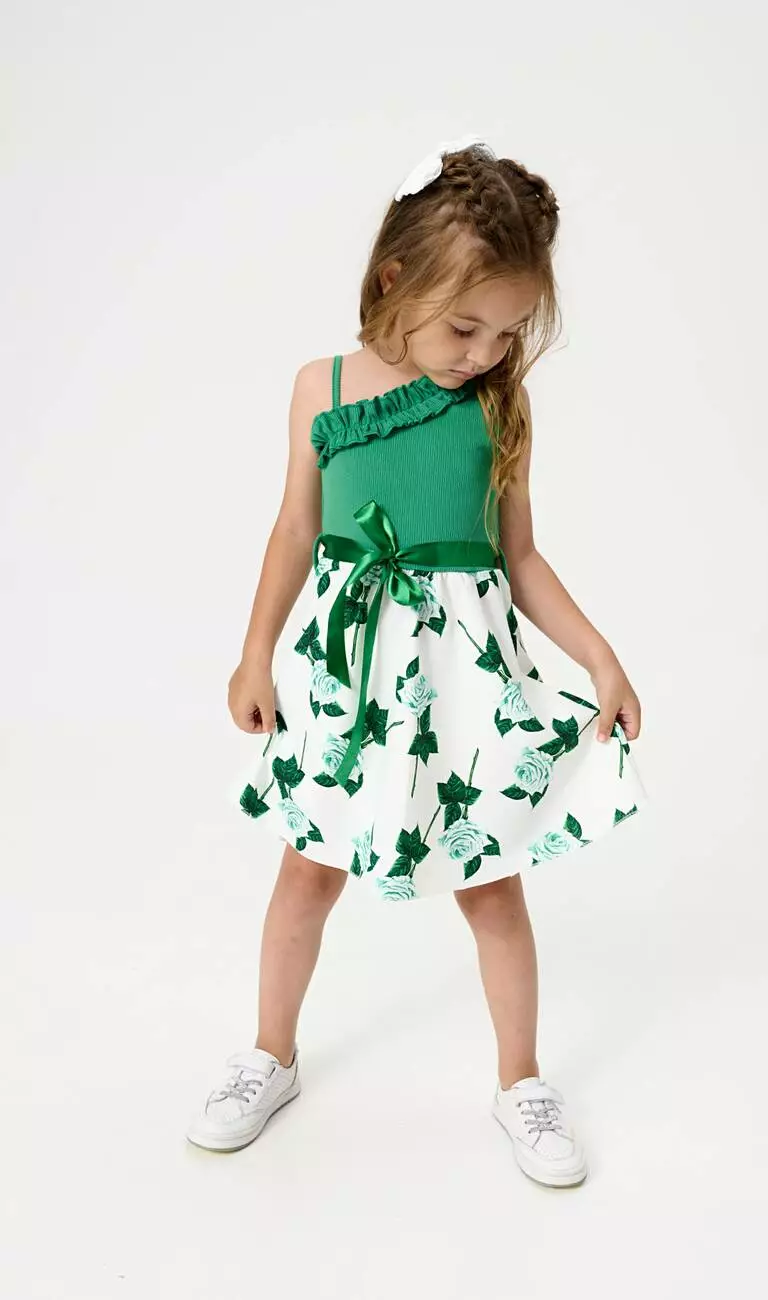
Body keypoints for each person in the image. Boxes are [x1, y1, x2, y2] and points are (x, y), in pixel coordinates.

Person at [186, 135, 650, 1188]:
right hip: (351, 682)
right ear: (395, 279)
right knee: (308, 871)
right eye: (464, 326)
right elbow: (293, 530)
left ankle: (520, 1080)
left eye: (507, 331)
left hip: (464, 686)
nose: (483, 351)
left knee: (490, 883)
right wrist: (255, 653)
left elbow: (519, 558)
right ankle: (269, 1054)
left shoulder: (495, 404)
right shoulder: (319, 387)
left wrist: (601, 659)